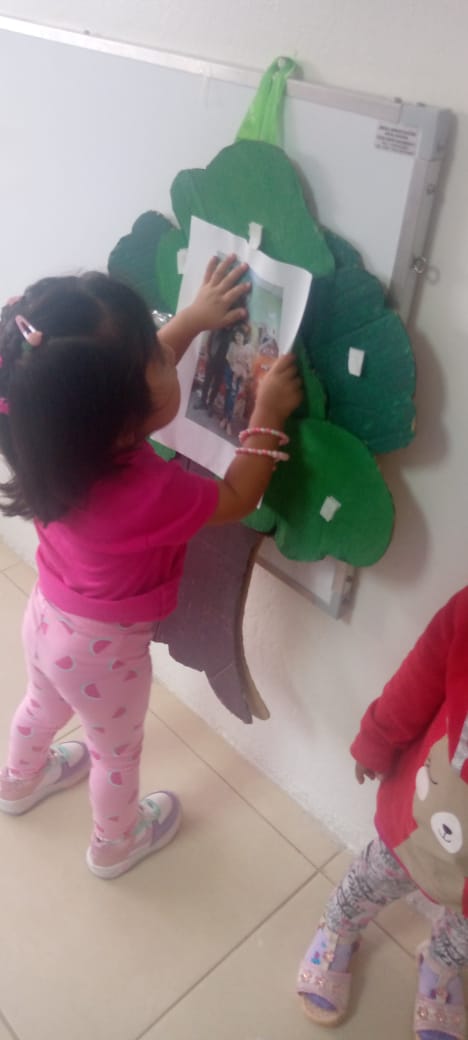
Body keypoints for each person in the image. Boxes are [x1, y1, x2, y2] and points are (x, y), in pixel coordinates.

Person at [0, 255, 301, 880]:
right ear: (120, 418)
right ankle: (116, 842)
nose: (169, 353)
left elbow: (120, 384)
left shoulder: (52, 445)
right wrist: (267, 413)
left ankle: (17, 780)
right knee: (115, 753)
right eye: (158, 356)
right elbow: (238, 497)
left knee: (40, 702)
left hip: (47, 617)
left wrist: (192, 319)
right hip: (103, 652)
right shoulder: (148, 491)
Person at [297, 589, 468, 1039]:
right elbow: (421, 674)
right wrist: (378, 739)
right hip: (422, 816)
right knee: (377, 874)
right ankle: (339, 927)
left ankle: (441, 962)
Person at [220, 326, 255, 437]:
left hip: (240, 375)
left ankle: (228, 421)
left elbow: (249, 365)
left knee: (232, 397)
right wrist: (234, 366)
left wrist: (245, 365)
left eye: (240, 335)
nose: (238, 337)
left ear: (244, 336)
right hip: (230, 372)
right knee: (228, 395)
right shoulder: (232, 345)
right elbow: (228, 358)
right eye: (236, 335)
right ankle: (225, 418)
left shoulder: (247, 349)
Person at [194, 325, 231, 415]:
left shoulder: (232, 333)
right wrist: (207, 354)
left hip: (223, 363)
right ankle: (202, 402)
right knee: (207, 381)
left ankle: (210, 404)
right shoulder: (216, 328)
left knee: (216, 385)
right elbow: (209, 340)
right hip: (212, 359)